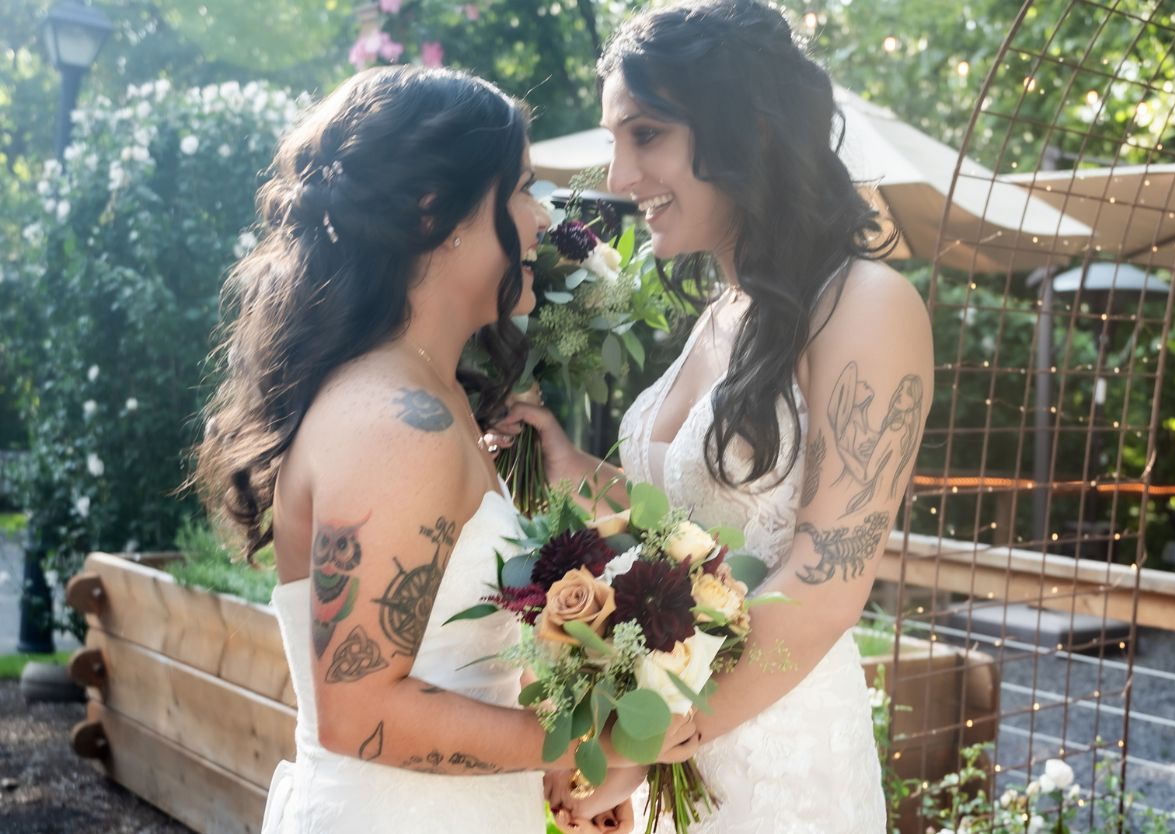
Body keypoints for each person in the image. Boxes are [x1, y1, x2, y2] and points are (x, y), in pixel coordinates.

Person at [193, 65, 698, 834]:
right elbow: (361, 712)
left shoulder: (434, 398)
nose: (541, 219)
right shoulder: (394, 424)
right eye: (523, 189)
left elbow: (445, 661)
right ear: (438, 213)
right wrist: (581, 744)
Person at [491, 1, 934, 831]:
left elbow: (827, 580)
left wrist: (645, 743)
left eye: (647, 135)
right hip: (668, 747)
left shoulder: (868, 306)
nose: (619, 178)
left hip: (775, 760)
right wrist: (578, 473)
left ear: (749, 130)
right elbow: (691, 534)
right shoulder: (721, 312)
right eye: (615, 141)